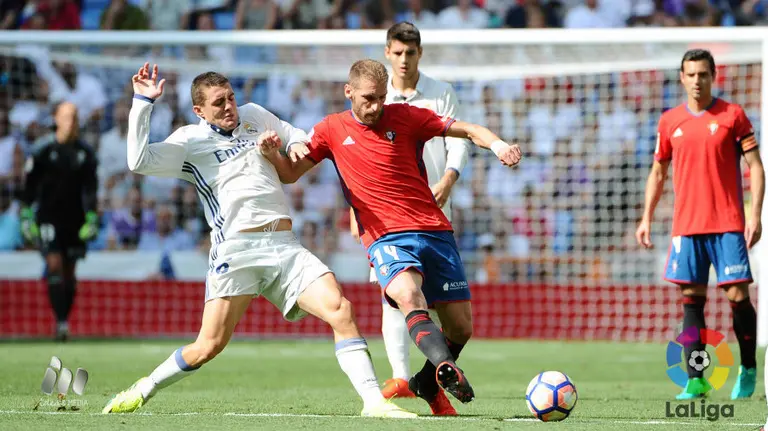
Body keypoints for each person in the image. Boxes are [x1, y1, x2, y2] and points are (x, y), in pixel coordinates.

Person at [101, 63, 414, 419]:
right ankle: (145, 387)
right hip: (237, 252)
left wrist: (291, 145)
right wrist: (143, 102)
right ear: (199, 111)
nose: (230, 106)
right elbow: (138, 160)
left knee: (340, 309)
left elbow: (296, 133)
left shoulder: (254, 115)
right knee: (209, 346)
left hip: (284, 245)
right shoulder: (190, 141)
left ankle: (374, 403)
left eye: (231, 97)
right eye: (219, 103)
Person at [260, 58, 522, 412]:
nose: (375, 106)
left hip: (434, 230)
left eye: (381, 98)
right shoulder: (331, 129)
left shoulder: (406, 116)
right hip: (386, 238)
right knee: (407, 295)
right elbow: (291, 174)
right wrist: (272, 154)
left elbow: (469, 130)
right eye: (368, 98)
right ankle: (446, 368)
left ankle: (426, 382)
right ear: (348, 92)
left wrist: (499, 146)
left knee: (461, 328)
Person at [349, 21, 470, 414]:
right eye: (397, 53)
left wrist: (448, 181)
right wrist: (356, 208)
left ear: (420, 54)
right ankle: (402, 376)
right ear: (387, 53)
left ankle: (425, 378)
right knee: (396, 296)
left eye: (411, 53)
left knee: (445, 308)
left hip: (435, 208)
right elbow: (357, 163)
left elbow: (457, 142)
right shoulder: (376, 99)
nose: (404, 60)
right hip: (385, 216)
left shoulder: (439, 93)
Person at [635, 49, 764, 400]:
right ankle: (696, 377)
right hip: (686, 226)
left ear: (713, 76)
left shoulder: (733, 116)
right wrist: (646, 217)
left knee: (737, 296)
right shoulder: (669, 121)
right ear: (681, 77)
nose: (697, 81)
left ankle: (749, 367)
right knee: (691, 301)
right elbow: (658, 172)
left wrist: (755, 215)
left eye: (703, 74)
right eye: (690, 74)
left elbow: (755, 166)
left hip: (727, 223)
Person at [20, 101, 99, 342]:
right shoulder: (42, 150)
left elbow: (91, 189)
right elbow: (29, 186)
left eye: (74, 116)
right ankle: (61, 322)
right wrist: (25, 215)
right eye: (66, 116)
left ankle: (64, 320)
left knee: (70, 271)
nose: (71, 121)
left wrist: (92, 216)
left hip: (75, 219)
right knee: (54, 264)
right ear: (55, 118)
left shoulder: (86, 153)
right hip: (48, 218)